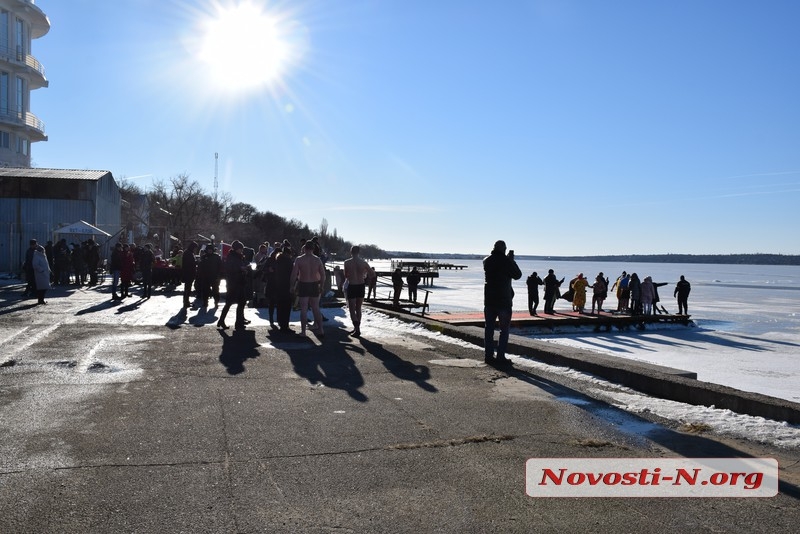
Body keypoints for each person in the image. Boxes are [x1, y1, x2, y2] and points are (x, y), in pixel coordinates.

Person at [483, 240, 522, 366]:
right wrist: (511, 261)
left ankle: (488, 355)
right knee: (504, 330)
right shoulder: (506, 261)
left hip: (489, 300)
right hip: (503, 300)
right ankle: (500, 356)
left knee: (489, 329)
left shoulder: (487, 261)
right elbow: (517, 275)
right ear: (504, 249)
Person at [290, 241, 327, 336]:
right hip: (314, 284)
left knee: (303, 309)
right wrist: (322, 286)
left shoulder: (299, 259)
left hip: (303, 284)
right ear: (313, 249)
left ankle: (303, 332)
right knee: (316, 308)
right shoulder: (317, 260)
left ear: (305, 248)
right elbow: (323, 275)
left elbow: (294, 275)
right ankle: (321, 329)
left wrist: (291, 285)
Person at [343, 245, 375, 337]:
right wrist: (364, 274)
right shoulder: (363, 263)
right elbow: (372, 274)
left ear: (351, 252)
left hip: (352, 285)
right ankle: (357, 328)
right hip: (361, 285)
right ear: (359, 252)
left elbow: (346, 275)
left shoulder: (347, 262)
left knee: (352, 309)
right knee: (358, 308)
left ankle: (357, 329)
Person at [217, 240, 249, 330]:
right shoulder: (231, 257)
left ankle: (237, 322)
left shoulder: (239, 257)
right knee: (229, 303)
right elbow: (230, 268)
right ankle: (223, 320)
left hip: (239, 282)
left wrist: (245, 269)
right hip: (233, 283)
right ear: (236, 249)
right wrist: (241, 268)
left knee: (241, 302)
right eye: (240, 249)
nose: (241, 250)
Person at [273, 245, 295, 332]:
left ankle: (280, 321)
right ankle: (285, 325)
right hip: (287, 285)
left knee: (280, 305)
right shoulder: (289, 261)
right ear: (288, 254)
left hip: (278, 285)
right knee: (286, 306)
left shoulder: (278, 260)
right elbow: (292, 274)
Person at [181, 242, 198, 307]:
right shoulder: (188, 253)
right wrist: (196, 262)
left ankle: (186, 301)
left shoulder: (188, 252)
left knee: (188, 288)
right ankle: (186, 302)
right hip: (188, 273)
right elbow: (190, 263)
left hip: (189, 273)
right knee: (187, 288)